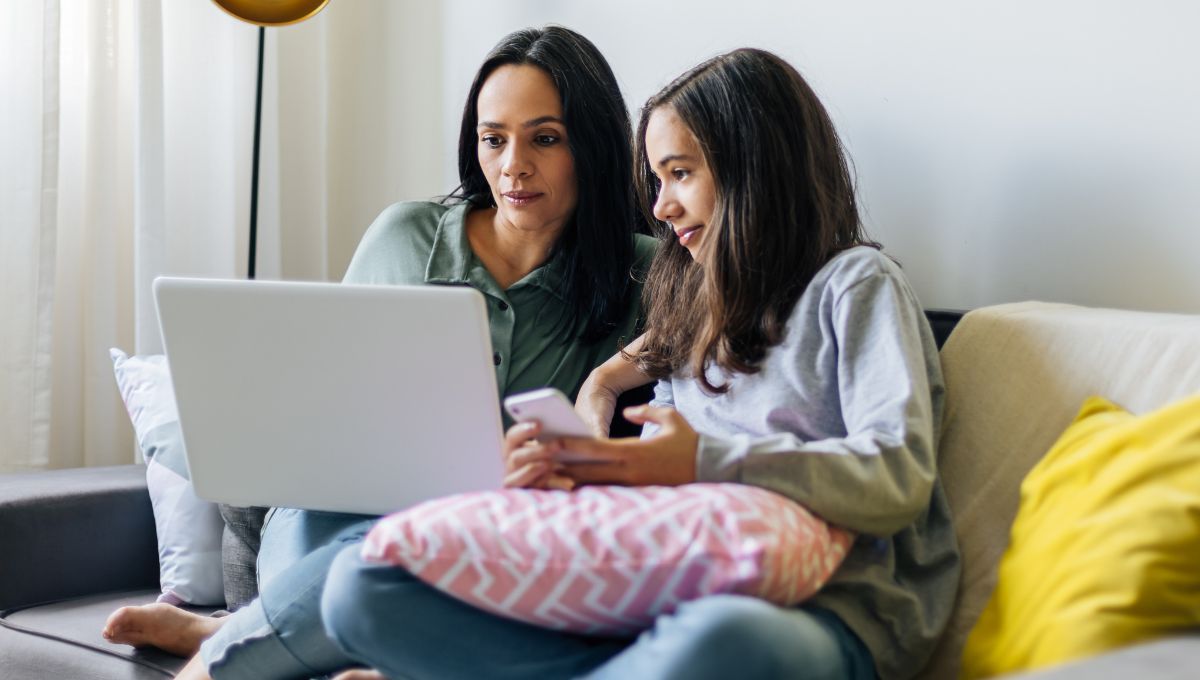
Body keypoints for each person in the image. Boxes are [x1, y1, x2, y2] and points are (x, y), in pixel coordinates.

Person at [319, 48, 961, 680]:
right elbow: (665, 510)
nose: (660, 207)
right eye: (656, 181)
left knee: (720, 638)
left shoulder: (856, 286)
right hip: (663, 608)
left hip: (824, 615)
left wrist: (706, 462)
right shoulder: (691, 309)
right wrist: (578, 470)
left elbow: (897, 477)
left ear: (753, 169)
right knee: (363, 585)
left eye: (680, 174)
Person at [101, 25, 655, 679]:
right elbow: (328, 384)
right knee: (333, 565)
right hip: (338, 511)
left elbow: (715, 343)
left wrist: (607, 382)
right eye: (493, 138)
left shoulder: (645, 276)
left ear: (591, 145)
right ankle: (270, 636)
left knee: (397, 596)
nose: (513, 165)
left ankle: (228, 636)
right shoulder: (404, 234)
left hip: (486, 543)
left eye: (545, 138)